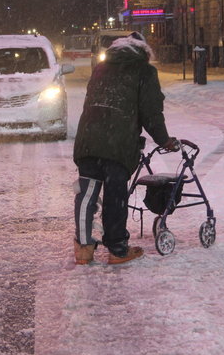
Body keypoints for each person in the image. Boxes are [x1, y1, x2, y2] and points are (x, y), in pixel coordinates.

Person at [73, 32, 179, 265]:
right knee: (115, 196)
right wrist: (164, 141)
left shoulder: (101, 68)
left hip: (89, 138)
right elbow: (151, 113)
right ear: (143, 51)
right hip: (118, 143)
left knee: (87, 193)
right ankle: (117, 250)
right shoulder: (144, 71)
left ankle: (83, 248)